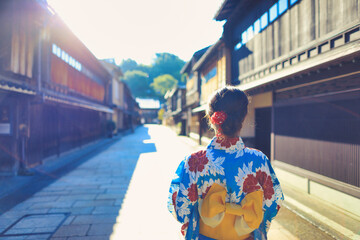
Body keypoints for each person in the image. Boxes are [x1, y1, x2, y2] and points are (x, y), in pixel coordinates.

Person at [167, 86, 284, 240]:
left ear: (211, 119)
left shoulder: (194, 162)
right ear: (243, 117)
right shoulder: (259, 160)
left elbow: (179, 207)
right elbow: (273, 203)